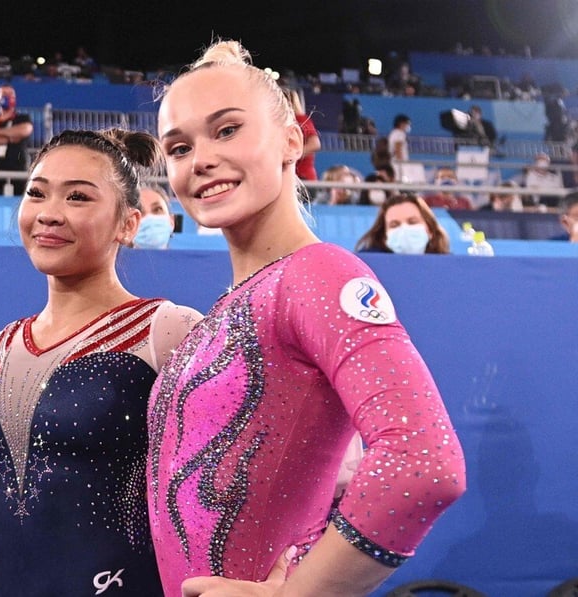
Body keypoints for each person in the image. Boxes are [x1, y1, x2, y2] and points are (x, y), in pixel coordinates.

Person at [151, 39, 466, 596]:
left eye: (227, 130)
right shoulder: (237, 300)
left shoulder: (317, 274)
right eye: (178, 147)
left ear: (291, 140)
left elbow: (423, 462)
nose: (199, 159)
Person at [0, 128, 202, 595]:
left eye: (77, 197)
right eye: (36, 194)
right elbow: (4, 506)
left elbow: (228, 483)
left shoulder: (166, 332)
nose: (49, 214)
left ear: (127, 225)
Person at [355, 193, 452, 254]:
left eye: (412, 222)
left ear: (430, 230)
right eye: (394, 225)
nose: (404, 228)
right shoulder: (366, 266)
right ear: (384, 237)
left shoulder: (450, 268)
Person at [282, 88, 320, 181]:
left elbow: (315, 144)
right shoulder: (278, 123)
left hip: (303, 177)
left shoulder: (301, 119)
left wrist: (291, 157)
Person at [133, 184, 176, 249]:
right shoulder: (115, 259)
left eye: (157, 209)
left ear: (172, 222)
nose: (149, 217)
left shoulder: (185, 259)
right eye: (140, 212)